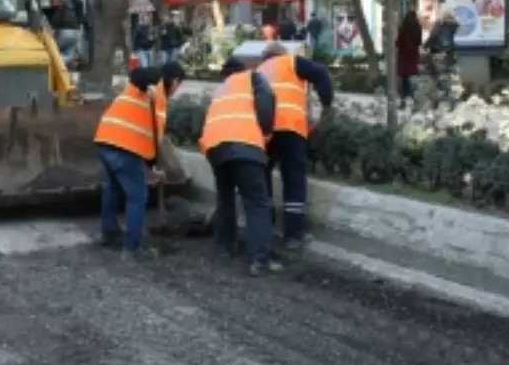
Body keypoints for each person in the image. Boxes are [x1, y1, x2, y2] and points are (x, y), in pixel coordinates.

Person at [94, 61, 187, 259]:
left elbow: (148, 137)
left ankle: (108, 232)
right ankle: (132, 247)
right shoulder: (156, 84)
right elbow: (137, 73)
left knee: (113, 188)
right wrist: (151, 85)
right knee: (137, 196)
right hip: (123, 147)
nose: (177, 90)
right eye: (179, 85)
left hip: (106, 139)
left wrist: (153, 166)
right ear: (176, 80)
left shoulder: (153, 96)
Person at [200, 57, 277, 277]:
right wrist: (266, 131)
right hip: (245, 144)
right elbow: (265, 102)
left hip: (215, 147)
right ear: (242, 70)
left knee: (225, 198)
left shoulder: (220, 90)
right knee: (256, 203)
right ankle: (260, 259)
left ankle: (224, 246)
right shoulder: (252, 78)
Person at [257, 42, 333, 252]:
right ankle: (293, 234)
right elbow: (320, 72)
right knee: (293, 178)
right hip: (290, 127)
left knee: (263, 175)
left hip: (264, 131)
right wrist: (326, 103)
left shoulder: (259, 70)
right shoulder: (290, 62)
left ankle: (265, 226)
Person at [424, 3, 461, 110]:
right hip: (450, 54)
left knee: (437, 76)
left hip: (438, 53)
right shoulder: (454, 24)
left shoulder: (439, 24)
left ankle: (447, 97)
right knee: (446, 76)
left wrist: (424, 46)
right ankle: (445, 99)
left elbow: (433, 36)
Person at [396, 8, 423, 110]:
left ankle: (404, 100)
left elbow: (398, 42)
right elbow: (419, 42)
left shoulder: (403, 28)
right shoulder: (417, 27)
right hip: (413, 55)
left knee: (404, 79)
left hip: (404, 55)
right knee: (412, 77)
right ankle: (415, 99)